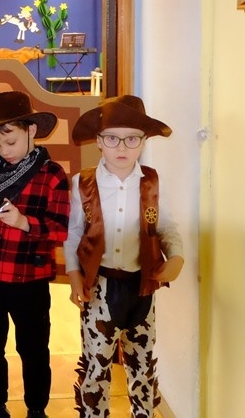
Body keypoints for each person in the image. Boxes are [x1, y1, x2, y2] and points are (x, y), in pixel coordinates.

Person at [63, 95, 185, 418]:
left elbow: (166, 227)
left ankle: (142, 412)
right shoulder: (83, 184)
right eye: (112, 138)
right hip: (100, 289)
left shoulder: (151, 182)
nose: (122, 147)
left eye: (132, 139)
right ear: (99, 141)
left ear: (143, 142)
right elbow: (73, 234)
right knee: (96, 364)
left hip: (141, 288)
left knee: (142, 363)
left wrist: (176, 257)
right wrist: (74, 275)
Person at [0, 91, 70, 418]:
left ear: (31, 130)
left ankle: (36, 409)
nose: (4, 151)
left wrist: (24, 223)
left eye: (10, 142)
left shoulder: (52, 175)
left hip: (31, 280)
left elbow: (61, 230)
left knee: (33, 350)